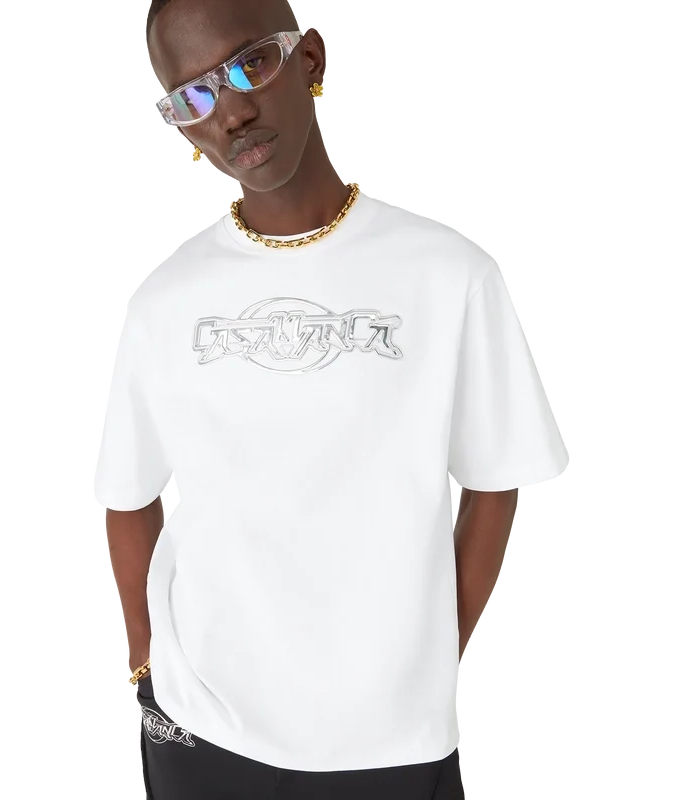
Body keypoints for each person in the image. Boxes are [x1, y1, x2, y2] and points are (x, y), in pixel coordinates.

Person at [95, 0, 570, 797]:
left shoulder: (447, 271)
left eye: (249, 65)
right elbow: (128, 493)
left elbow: (495, 483)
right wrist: (145, 664)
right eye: (195, 96)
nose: (232, 111)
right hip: (203, 723)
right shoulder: (163, 295)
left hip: (391, 738)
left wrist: (427, 658)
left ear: (310, 58)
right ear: (181, 125)